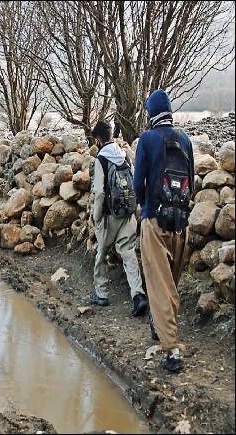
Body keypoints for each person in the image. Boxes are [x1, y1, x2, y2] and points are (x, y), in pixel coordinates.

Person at [134, 89, 195, 372]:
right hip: (180, 225)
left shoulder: (147, 139)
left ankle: (171, 352)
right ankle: (159, 326)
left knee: (159, 286)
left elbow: (137, 185)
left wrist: (147, 207)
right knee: (171, 282)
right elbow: (191, 183)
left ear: (150, 113)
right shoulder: (185, 139)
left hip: (155, 222)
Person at [89, 120, 148, 317]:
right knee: (128, 253)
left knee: (102, 254)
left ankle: (102, 293)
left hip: (108, 216)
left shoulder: (101, 160)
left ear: (97, 140)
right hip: (128, 214)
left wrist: (96, 217)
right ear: (112, 136)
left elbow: (99, 193)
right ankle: (138, 295)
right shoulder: (125, 157)